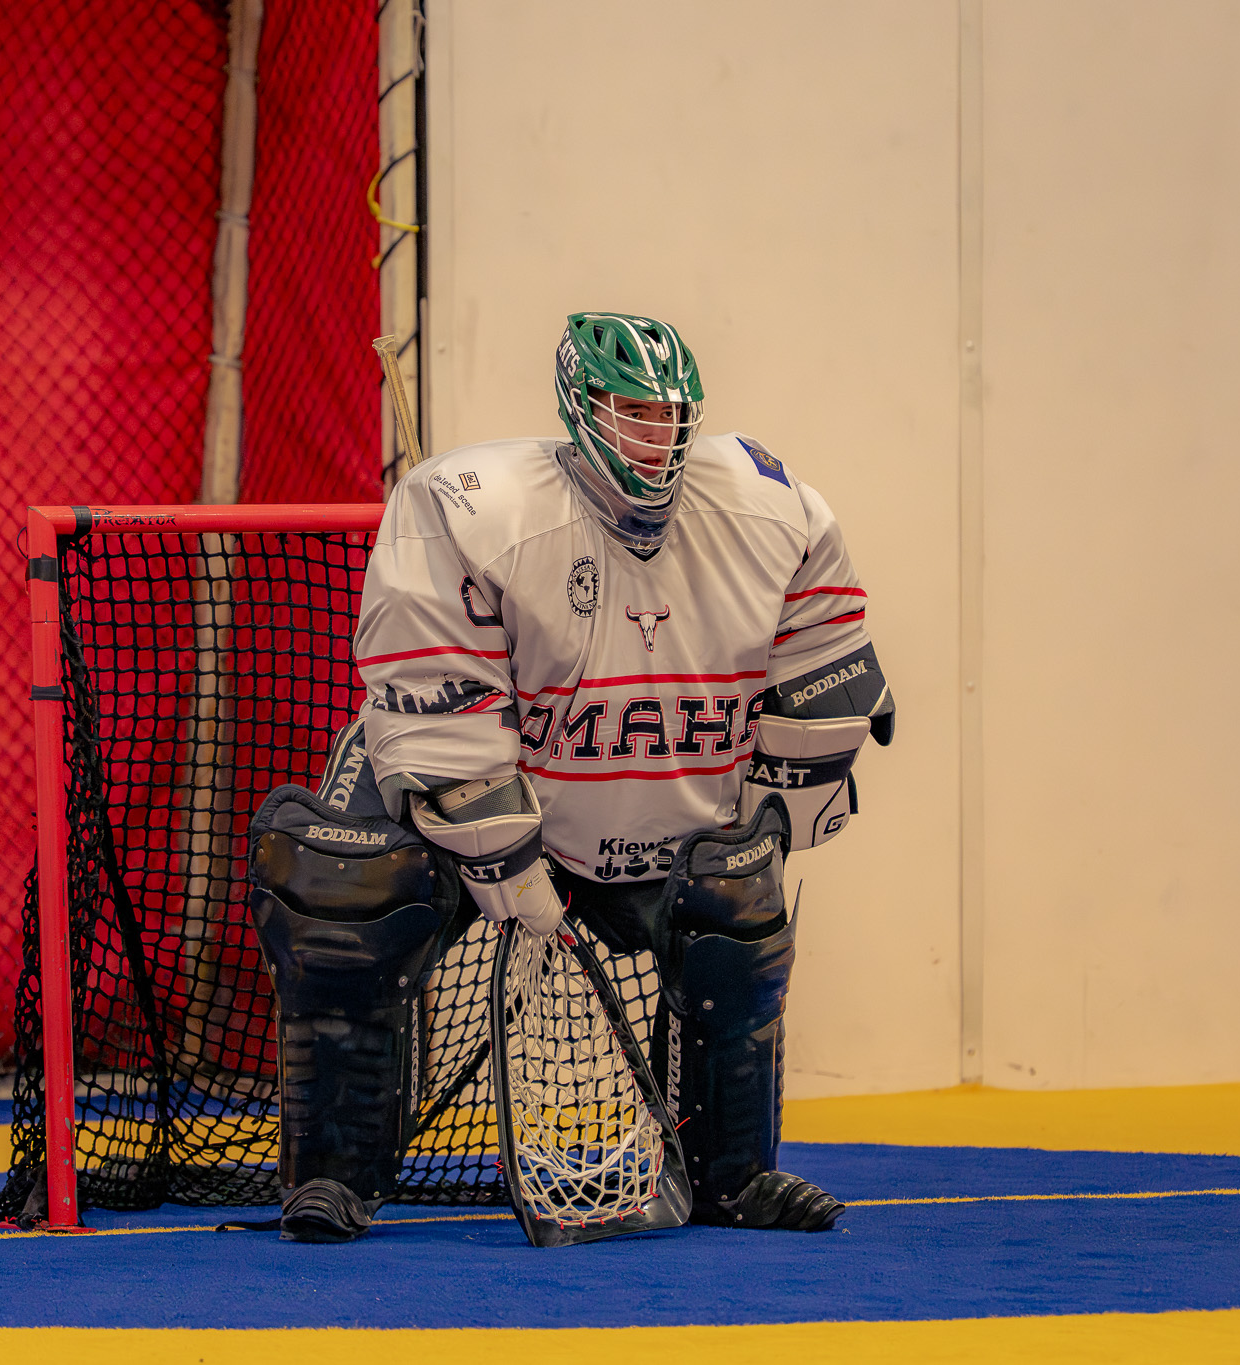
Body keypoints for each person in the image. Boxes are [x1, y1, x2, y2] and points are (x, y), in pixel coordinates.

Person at [245, 312, 894, 1243]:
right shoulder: (464, 504)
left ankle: (736, 1174)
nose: (653, 438)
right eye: (628, 412)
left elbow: (827, 667)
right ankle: (335, 1178)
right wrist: (510, 869)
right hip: (491, 797)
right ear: (579, 407)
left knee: (737, 902)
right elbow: (439, 717)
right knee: (347, 891)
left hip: (656, 788)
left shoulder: (770, 506)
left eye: (668, 417)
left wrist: (766, 822)